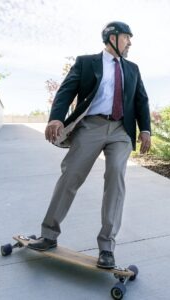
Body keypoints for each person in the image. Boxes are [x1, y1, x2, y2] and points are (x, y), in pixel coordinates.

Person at [28, 21, 151, 269]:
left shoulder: (133, 69)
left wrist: (145, 129)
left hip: (120, 130)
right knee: (70, 176)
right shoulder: (86, 63)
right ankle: (49, 235)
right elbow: (66, 91)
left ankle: (107, 247)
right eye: (127, 37)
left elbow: (141, 100)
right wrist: (56, 117)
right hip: (90, 126)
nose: (130, 43)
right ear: (112, 37)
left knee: (116, 176)